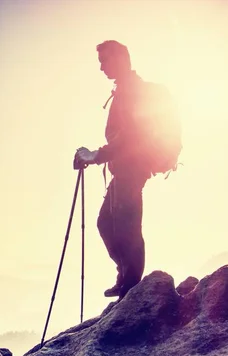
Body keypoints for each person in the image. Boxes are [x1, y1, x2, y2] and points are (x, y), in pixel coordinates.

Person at [74, 40, 157, 299]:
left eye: (104, 61)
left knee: (126, 227)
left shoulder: (131, 91)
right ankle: (126, 278)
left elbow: (131, 137)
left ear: (120, 60)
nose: (101, 68)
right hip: (125, 170)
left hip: (132, 169)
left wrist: (97, 155)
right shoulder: (124, 90)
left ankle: (130, 287)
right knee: (108, 223)